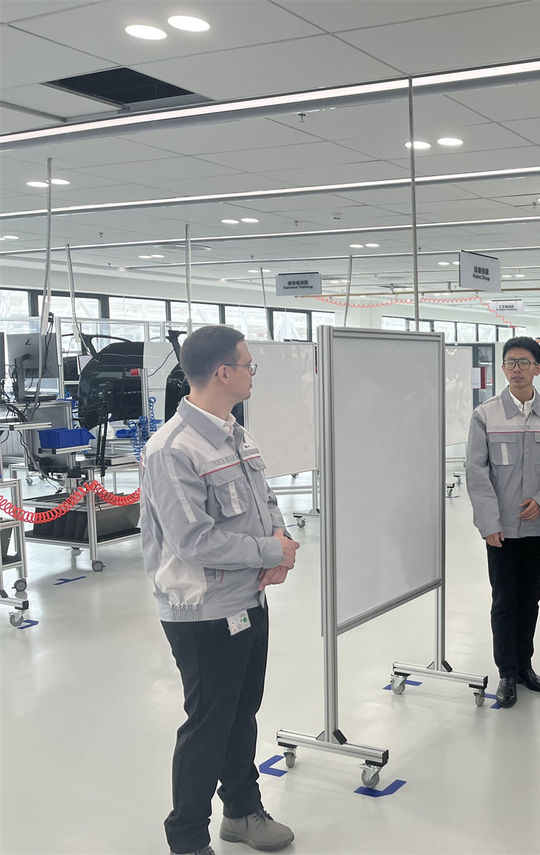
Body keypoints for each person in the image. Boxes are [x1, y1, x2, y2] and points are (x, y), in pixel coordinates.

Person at [140, 325, 298, 855]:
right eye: (249, 365)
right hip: (204, 612)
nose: (253, 373)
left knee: (242, 711)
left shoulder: (237, 434)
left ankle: (242, 812)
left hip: (249, 598)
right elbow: (193, 541)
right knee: (209, 722)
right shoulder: (172, 450)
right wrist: (270, 551)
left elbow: (266, 502)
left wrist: (280, 546)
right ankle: (187, 838)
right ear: (224, 372)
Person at [466, 336, 540, 709]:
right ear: (503, 368)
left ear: (538, 368)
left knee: (530, 598)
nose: (516, 369)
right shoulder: (486, 415)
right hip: (501, 530)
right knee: (504, 601)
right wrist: (488, 523)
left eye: (524, 362)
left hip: (537, 527)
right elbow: (476, 472)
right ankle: (507, 673)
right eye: (510, 362)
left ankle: (525, 666)